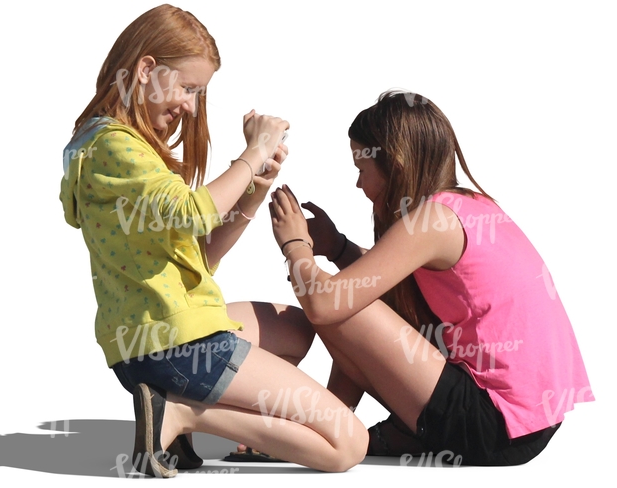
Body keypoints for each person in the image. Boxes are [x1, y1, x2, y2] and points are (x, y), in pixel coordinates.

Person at [59, 4, 367, 477]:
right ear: (145, 69)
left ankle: (179, 415)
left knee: (297, 329)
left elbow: (202, 255)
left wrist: (255, 185)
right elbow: (192, 212)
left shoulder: (116, 148)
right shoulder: (113, 146)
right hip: (171, 345)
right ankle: (181, 415)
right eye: (187, 88)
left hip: (158, 334)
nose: (188, 104)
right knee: (348, 444)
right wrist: (252, 152)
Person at [268, 90, 593, 466]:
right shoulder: (467, 207)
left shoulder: (431, 221)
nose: (358, 185)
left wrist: (294, 244)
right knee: (353, 300)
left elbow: (326, 305)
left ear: (397, 165)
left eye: (362, 170)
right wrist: (339, 248)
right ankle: (328, 426)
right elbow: (384, 284)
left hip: (495, 424)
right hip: (528, 422)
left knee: (338, 304)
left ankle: (322, 428)